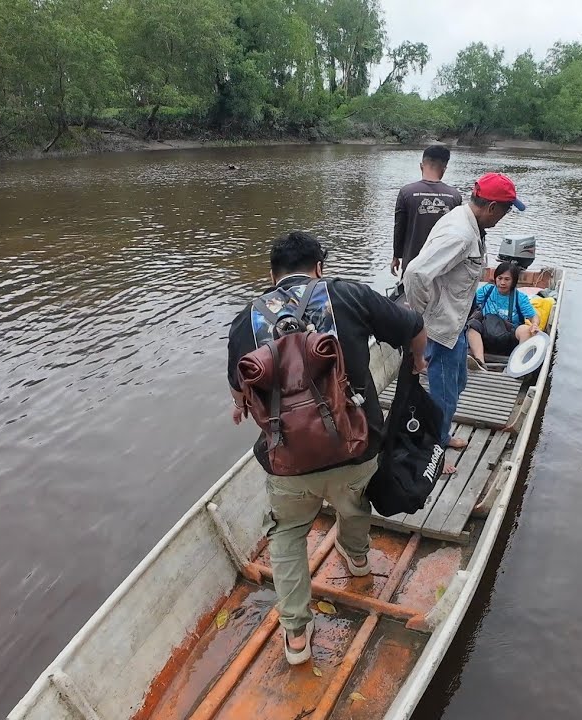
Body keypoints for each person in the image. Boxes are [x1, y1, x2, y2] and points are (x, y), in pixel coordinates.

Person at [226, 231, 428, 666]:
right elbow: (413, 326)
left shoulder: (246, 320)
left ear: (272, 275)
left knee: (287, 534)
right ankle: (357, 561)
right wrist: (417, 360)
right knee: (353, 503)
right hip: (356, 447)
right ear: (319, 267)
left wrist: (242, 405)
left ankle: (297, 636)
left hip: (289, 461)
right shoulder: (348, 295)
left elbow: (240, 392)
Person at [402, 172, 524, 472]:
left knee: (458, 382)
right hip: (441, 328)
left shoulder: (469, 222)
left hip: (457, 324)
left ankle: (441, 435)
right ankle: (433, 451)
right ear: (492, 207)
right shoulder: (460, 234)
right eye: (506, 210)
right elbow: (415, 274)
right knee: (443, 394)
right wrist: (420, 319)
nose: (504, 217)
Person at [391, 145, 462, 277]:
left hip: (412, 264)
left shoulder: (406, 192)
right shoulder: (454, 196)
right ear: (444, 169)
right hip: (442, 266)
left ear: (421, 166)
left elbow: (399, 228)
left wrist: (396, 256)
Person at [466, 261, 539, 369]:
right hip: (487, 334)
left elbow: (533, 316)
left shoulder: (520, 298)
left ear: (513, 281)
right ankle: (480, 363)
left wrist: (535, 324)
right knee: (472, 325)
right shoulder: (487, 290)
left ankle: (518, 365)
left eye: (507, 279)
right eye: (499, 278)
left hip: (508, 337)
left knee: (525, 330)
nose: (502, 283)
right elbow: (468, 303)